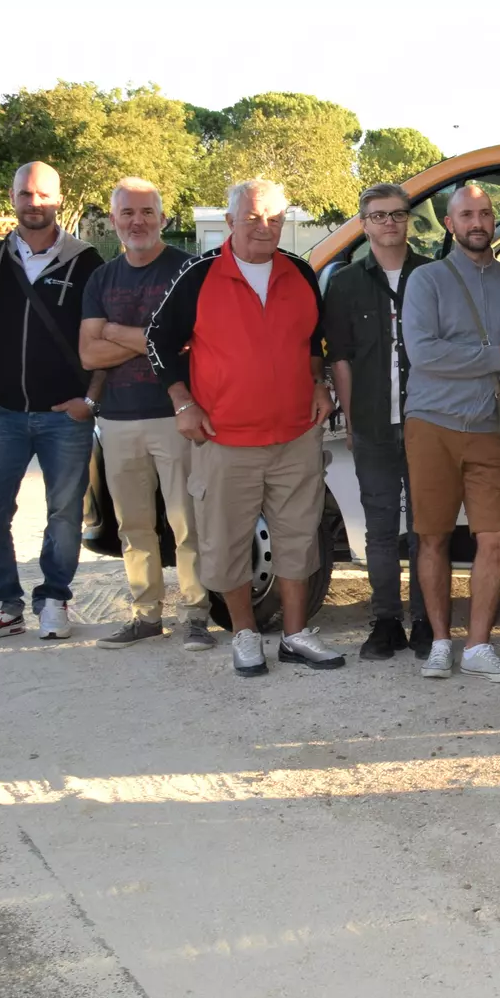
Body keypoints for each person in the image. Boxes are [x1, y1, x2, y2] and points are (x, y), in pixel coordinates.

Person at [145, 178, 345, 678]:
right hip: (224, 439)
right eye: (253, 218)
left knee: (299, 539)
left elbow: (314, 342)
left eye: (275, 219)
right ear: (230, 221)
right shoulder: (200, 272)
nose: (264, 227)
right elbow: (157, 340)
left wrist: (319, 385)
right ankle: (245, 634)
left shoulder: (299, 271)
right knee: (227, 542)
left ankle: (296, 636)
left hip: (295, 436)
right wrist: (182, 403)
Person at [400, 182, 500, 683]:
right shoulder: (426, 280)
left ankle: (478, 645)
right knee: (432, 538)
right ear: (449, 223)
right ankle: (440, 642)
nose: (478, 222)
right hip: (432, 424)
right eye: (467, 215)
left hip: (492, 429)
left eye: (484, 213)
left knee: (497, 539)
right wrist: (493, 358)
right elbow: (424, 353)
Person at [0, 161, 105, 642]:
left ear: (59, 200)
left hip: (64, 414)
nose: (34, 203)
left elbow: (101, 339)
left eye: (43, 195)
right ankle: (2, 604)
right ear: (12, 199)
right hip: (0, 411)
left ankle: (54, 599)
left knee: (64, 514)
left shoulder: (88, 263)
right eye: (25, 194)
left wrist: (89, 398)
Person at [78, 179, 211, 651]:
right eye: (128, 213)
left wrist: (116, 331)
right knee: (133, 525)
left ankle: (196, 615)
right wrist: (156, 339)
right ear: (114, 220)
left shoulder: (189, 271)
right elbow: (90, 353)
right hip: (117, 419)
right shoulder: (102, 278)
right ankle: (145, 614)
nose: (138, 221)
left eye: (147, 212)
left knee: (187, 522)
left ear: (163, 217)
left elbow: (195, 343)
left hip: (176, 414)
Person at [324, 182, 429, 661]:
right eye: (379, 216)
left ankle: (429, 621)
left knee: (428, 527)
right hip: (372, 423)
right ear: (363, 224)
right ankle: (386, 622)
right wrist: (351, 418)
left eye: (398, 214)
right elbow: (340, 357)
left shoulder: (432, 275)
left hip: (428, 423)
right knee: (381, 528)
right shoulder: (345, 282)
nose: (390, 223)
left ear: (409, 220)